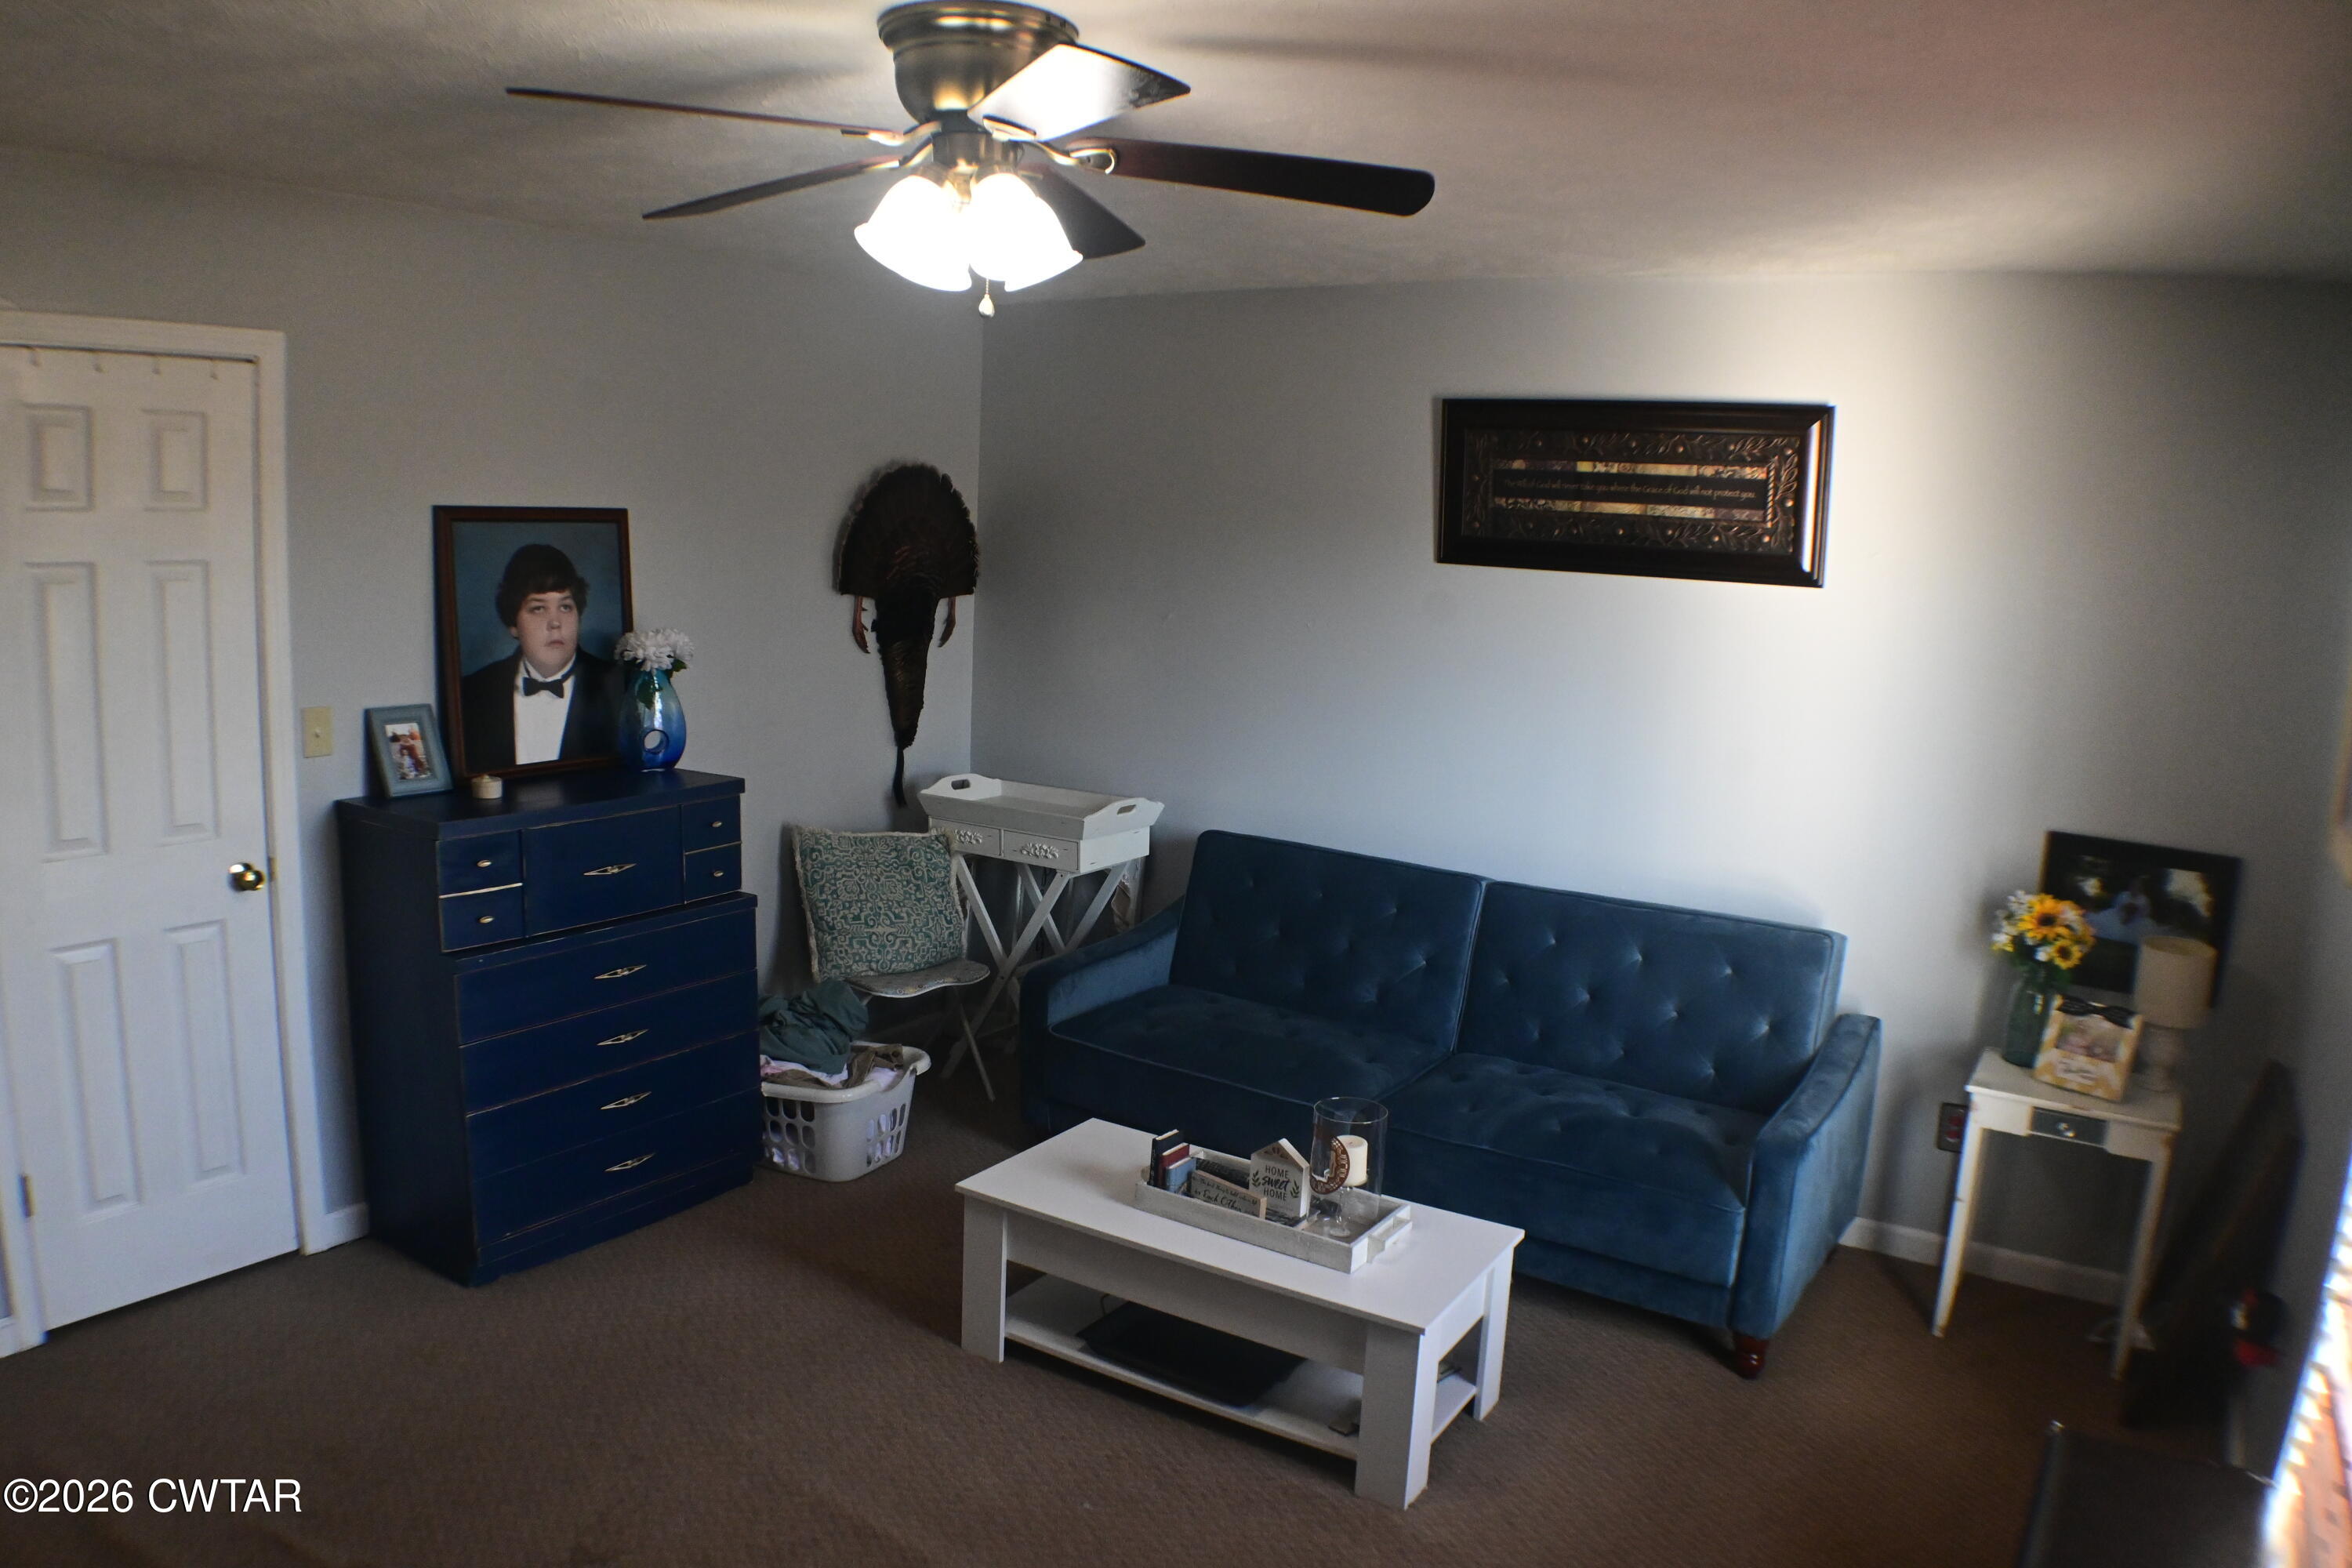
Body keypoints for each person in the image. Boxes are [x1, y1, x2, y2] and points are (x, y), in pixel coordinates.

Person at [459, 543, 618, 770]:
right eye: (538, 608)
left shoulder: (618, 687)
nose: (555, 623)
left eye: (565, 607)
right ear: (513, 624)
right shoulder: (472, 693)